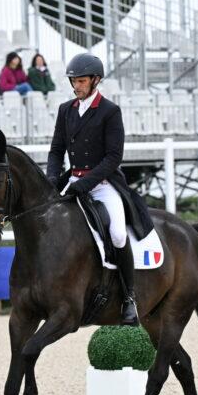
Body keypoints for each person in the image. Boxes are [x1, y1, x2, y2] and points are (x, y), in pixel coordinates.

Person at [46, 52, 147, 326]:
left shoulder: (110, 111)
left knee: (116, 232)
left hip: (102, 184)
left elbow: (113, 157)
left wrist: (85, 184)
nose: (75, 86)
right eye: (73, 81)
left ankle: (129, 298)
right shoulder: (65, 110)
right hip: (73, 181)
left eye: (80, 81)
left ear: (95, 81)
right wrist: (53, 178)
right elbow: (56, 150)